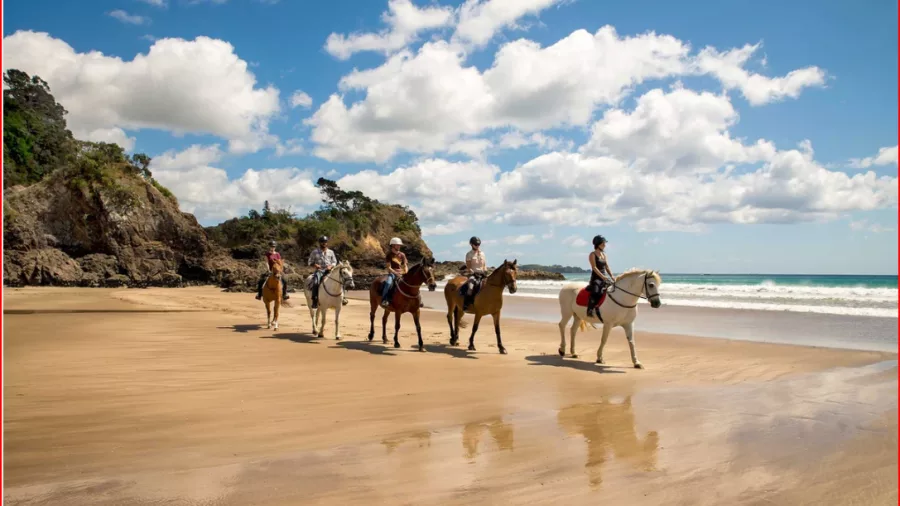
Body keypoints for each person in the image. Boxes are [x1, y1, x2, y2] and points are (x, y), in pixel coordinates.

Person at [586, 235, 614, 318]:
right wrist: (603, 277)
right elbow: (594, 267)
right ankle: (590, 310)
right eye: (603, 243)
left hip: (604, 278)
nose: (605, 245)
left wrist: (612, 276)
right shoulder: (592, 254)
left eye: (604, 243)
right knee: (596, 292)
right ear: (598, 244)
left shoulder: (604, 255)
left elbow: (607, 267)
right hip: (596, 278)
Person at [307, 235, 337, 309]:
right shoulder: (315, 252)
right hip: (319, 271)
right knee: (316, 282)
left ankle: (343, 298)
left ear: (327, 243)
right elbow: (309, 261)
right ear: (320, 243)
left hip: (329, 271)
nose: (324, 243)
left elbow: (334, 261)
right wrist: (315, 265)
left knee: (339, 279)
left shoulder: (331, 252)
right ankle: (314, 300)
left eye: (325, 242)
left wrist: (331, 266)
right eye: (322, 242)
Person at [380, 237, 408, 308]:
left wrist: (406, 271)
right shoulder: (389, 255)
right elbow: (389, 267)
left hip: (401, 273)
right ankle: (384, 299)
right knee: (388, 283)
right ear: (393, 245)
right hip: (392, 273)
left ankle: (417, 300)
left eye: (399, 245)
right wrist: (395, 273)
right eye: (397, 245)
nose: (399, 246)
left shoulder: (402, 255)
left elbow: (405, 265)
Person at [462, 236, 487, 311]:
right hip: (473, 275)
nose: (477, 246)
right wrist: (473, 272)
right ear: (471, 244)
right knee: (470, 288)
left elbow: (484, 265)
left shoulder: (482, 254)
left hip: (482, 274)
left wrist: (485, 270)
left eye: (478, 244)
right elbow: (469, 267)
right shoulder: (469, 254)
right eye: (475, 244)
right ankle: (466, 304)